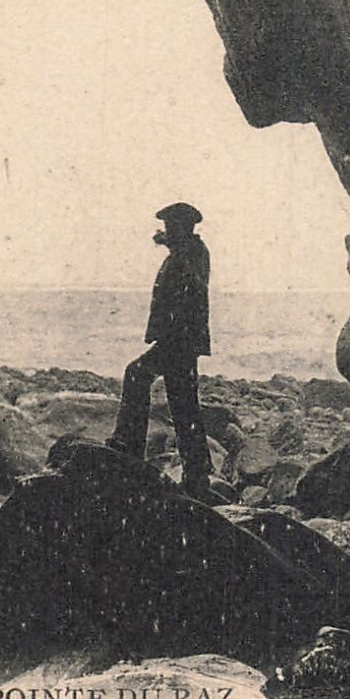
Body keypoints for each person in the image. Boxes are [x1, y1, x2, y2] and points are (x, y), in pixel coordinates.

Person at [107, 202, 213, 498]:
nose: (165, 231)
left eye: (170, 226)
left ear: (182, 227)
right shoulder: (187, 252)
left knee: (138, 376)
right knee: (184, 405)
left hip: (178, 340)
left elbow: (188, 290)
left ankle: (128, 447)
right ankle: (197, 473)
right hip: (178, 340)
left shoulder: (190, 253)